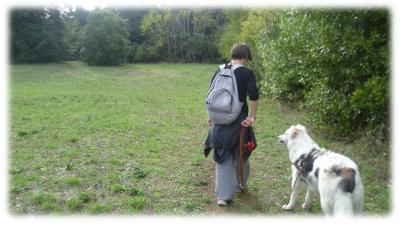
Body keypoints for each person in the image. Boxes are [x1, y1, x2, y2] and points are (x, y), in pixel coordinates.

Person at [204, 43, 259, 206]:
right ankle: (241, 183)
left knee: (222, 155)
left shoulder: (219, 70)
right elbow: (254, 96)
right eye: (248, 59)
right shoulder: (247, 73)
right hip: (239, 120)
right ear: (245, 57)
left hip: (219, 120)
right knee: (242, 152)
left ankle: (224, 196)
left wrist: (210, 116)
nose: (248, 62)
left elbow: (211, 96)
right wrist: (252, 117)